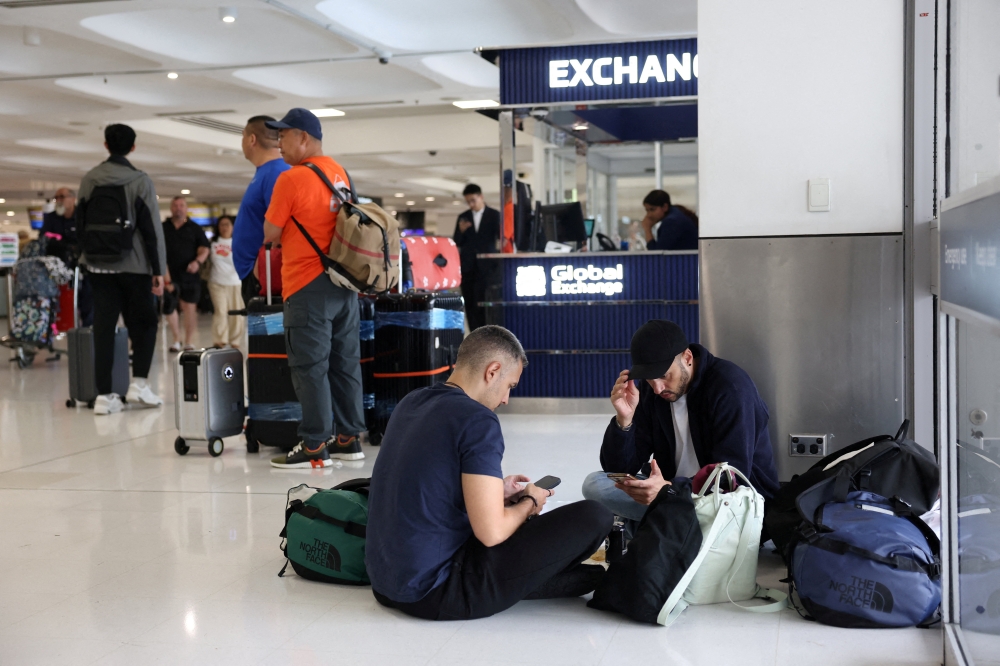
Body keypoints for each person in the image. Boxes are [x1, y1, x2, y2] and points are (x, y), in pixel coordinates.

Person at [367, 325, 613, 620]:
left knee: (558, 554)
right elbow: (492, 533)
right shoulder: (478, 420)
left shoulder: (412, 401)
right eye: (510, 385)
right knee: (594, 516)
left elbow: (428, 485)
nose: (506, 399)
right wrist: (529, 502)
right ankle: (585, 577)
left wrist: (498, 491)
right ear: (492, 371)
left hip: (385, 583)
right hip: (435, 591)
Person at [582, 319, 779, 535]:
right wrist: (624, 420)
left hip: (727, 503)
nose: (657, 388)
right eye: (649, 379)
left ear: (687, 358)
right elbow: (618, 469)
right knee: (594, 483)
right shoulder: (652, 392)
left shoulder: (730, 387)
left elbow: (732, 476)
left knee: (620, 512)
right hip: (675, 493)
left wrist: (668, 491)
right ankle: (669, 526)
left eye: (664, 375)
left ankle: (658, 526)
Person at [262, 108, 366, 467]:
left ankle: (313, 445)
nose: (279, 144)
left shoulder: (291, 179)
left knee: (310, 367)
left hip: (307, 285)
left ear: (303, 137)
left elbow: (270, 233)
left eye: (283, 136)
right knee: (344, 362)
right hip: (343, 283)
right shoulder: (340, 173)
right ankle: (349, 439)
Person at [78, 123, 167, 415]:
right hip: (135, 266)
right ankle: (139, 384)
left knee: (103, 328)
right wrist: (159, 269)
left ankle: (104, 396)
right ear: (133, 147)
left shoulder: (90, 180)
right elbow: (152, 230)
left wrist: (84, 258)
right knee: (144, 324)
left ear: (105, 146)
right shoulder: (140, 181)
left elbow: (80, 224)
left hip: (98, 266)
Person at [233, 115, 290, 303]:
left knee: (269, 333)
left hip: (263, 278)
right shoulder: (266, 172)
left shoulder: (276, 173)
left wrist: (260, 270)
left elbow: (284, 228)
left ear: (252, 139)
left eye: (243, 136)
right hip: (257, 275)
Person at [162, 196, 210, 352]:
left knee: (189, 307)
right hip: (168, 274)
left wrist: (198, 262)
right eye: (175, 205)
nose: (178, 208)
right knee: (170, 307)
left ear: (186, 208)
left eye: (181, 205)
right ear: (171, 208)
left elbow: (205, 248)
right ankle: (177, 339)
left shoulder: (194, 228)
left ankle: (189, 341)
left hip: (189, 275)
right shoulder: (163, 228)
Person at [41, 187, 93, 326]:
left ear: (72, 199)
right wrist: (65, 245)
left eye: (62, 197)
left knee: (87, 300)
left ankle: (88, 332)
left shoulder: (84, 217)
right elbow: (44, 238)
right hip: (58, 267)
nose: (59, 201)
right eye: (56, 198)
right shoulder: (51, 218)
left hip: (82, 266)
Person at [453, 183, 500, 331]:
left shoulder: (494, 215)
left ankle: (489, 333)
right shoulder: (463, 217)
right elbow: (457, 242)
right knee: (470, 304)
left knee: (487, 304)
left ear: (481, 197)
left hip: (488, 268)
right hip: (468, 268)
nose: (471, 204)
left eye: (473, 200)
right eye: (468, 202)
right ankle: (475, 334)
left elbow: (500, 238)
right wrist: (461, 231)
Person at [207, 215, 244, 349]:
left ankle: (235, 340)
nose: (224, 227)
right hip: (216, 282)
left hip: (236, 282)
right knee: (220, 311)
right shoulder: (212, 243)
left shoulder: (239, 242)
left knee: (237, 312)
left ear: (233, 227)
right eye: (222, 224)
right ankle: (220, 339)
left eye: (227, 224)